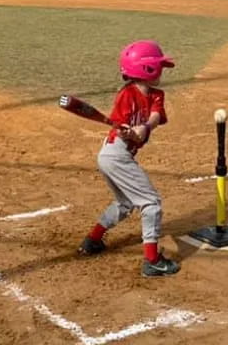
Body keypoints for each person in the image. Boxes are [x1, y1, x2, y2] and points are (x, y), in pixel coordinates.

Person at [77, 40, 181, 278]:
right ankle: (152, 261)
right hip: (116, 154)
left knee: (125, 204)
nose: (161, 70)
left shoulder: (156, 94)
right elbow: (120, 123)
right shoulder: (126, 95)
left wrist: (143, 128)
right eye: (158, 66)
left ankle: (92, 240)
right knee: (151, 202)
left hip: (114, 155)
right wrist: (126, 130)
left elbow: (155, 116)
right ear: (146, 69)